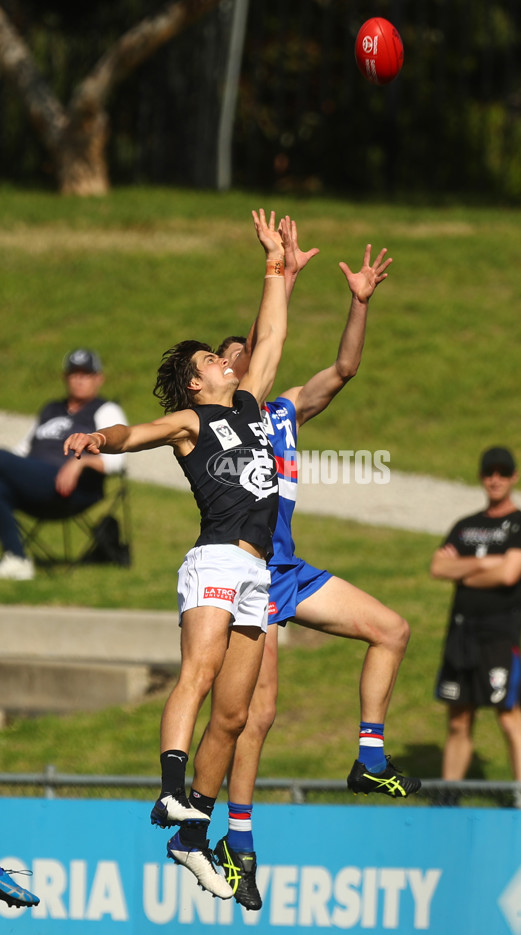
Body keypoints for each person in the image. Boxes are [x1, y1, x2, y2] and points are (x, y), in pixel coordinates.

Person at [64, 209, 291, 901]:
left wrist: (275, 265)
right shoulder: (196, 419)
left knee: (237, 710)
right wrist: (102, 440)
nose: (227, 360)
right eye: (210, 361)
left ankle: (192, 835)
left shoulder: (251, 403)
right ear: (196, 383)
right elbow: (141, 429)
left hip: (256, 570)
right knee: (198, 670)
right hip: (216, 559)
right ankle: (171, 793)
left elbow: (274, 333)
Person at [211, 231, 421, 910]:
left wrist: (358, 303)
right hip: (250, 575)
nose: (246, 360)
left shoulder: (287, 409)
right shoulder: (229, 417)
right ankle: (238, 845)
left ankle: (369, 756)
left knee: (392, 628)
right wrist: (277, 276)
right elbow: (259, 339)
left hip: (289, 569)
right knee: (257, 714)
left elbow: (346, 367)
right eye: (233, 357)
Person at [430, 446, 521, 808]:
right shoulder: (466, 525)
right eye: (489, 472)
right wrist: (488, 564)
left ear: (514, 477)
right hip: (462, 632)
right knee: (459, 719)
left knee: (509, 716)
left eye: (503, 472)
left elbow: (512, 573)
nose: (495, 479)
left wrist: (466, 567)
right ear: (481, 477)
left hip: (500, 633)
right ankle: (448, 798)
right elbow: (438, 568)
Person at [0, 348, 127, 580]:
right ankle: (17, 559)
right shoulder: (51, 409)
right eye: (73, 373)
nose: (79, 379)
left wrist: (80, 464)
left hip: (72, 489)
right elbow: (21, 451)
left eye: (86, 374)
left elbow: (116, 462)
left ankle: (17, 560)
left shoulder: (105, 410)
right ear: (65, 378)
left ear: (99, 378)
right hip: (35, 482)